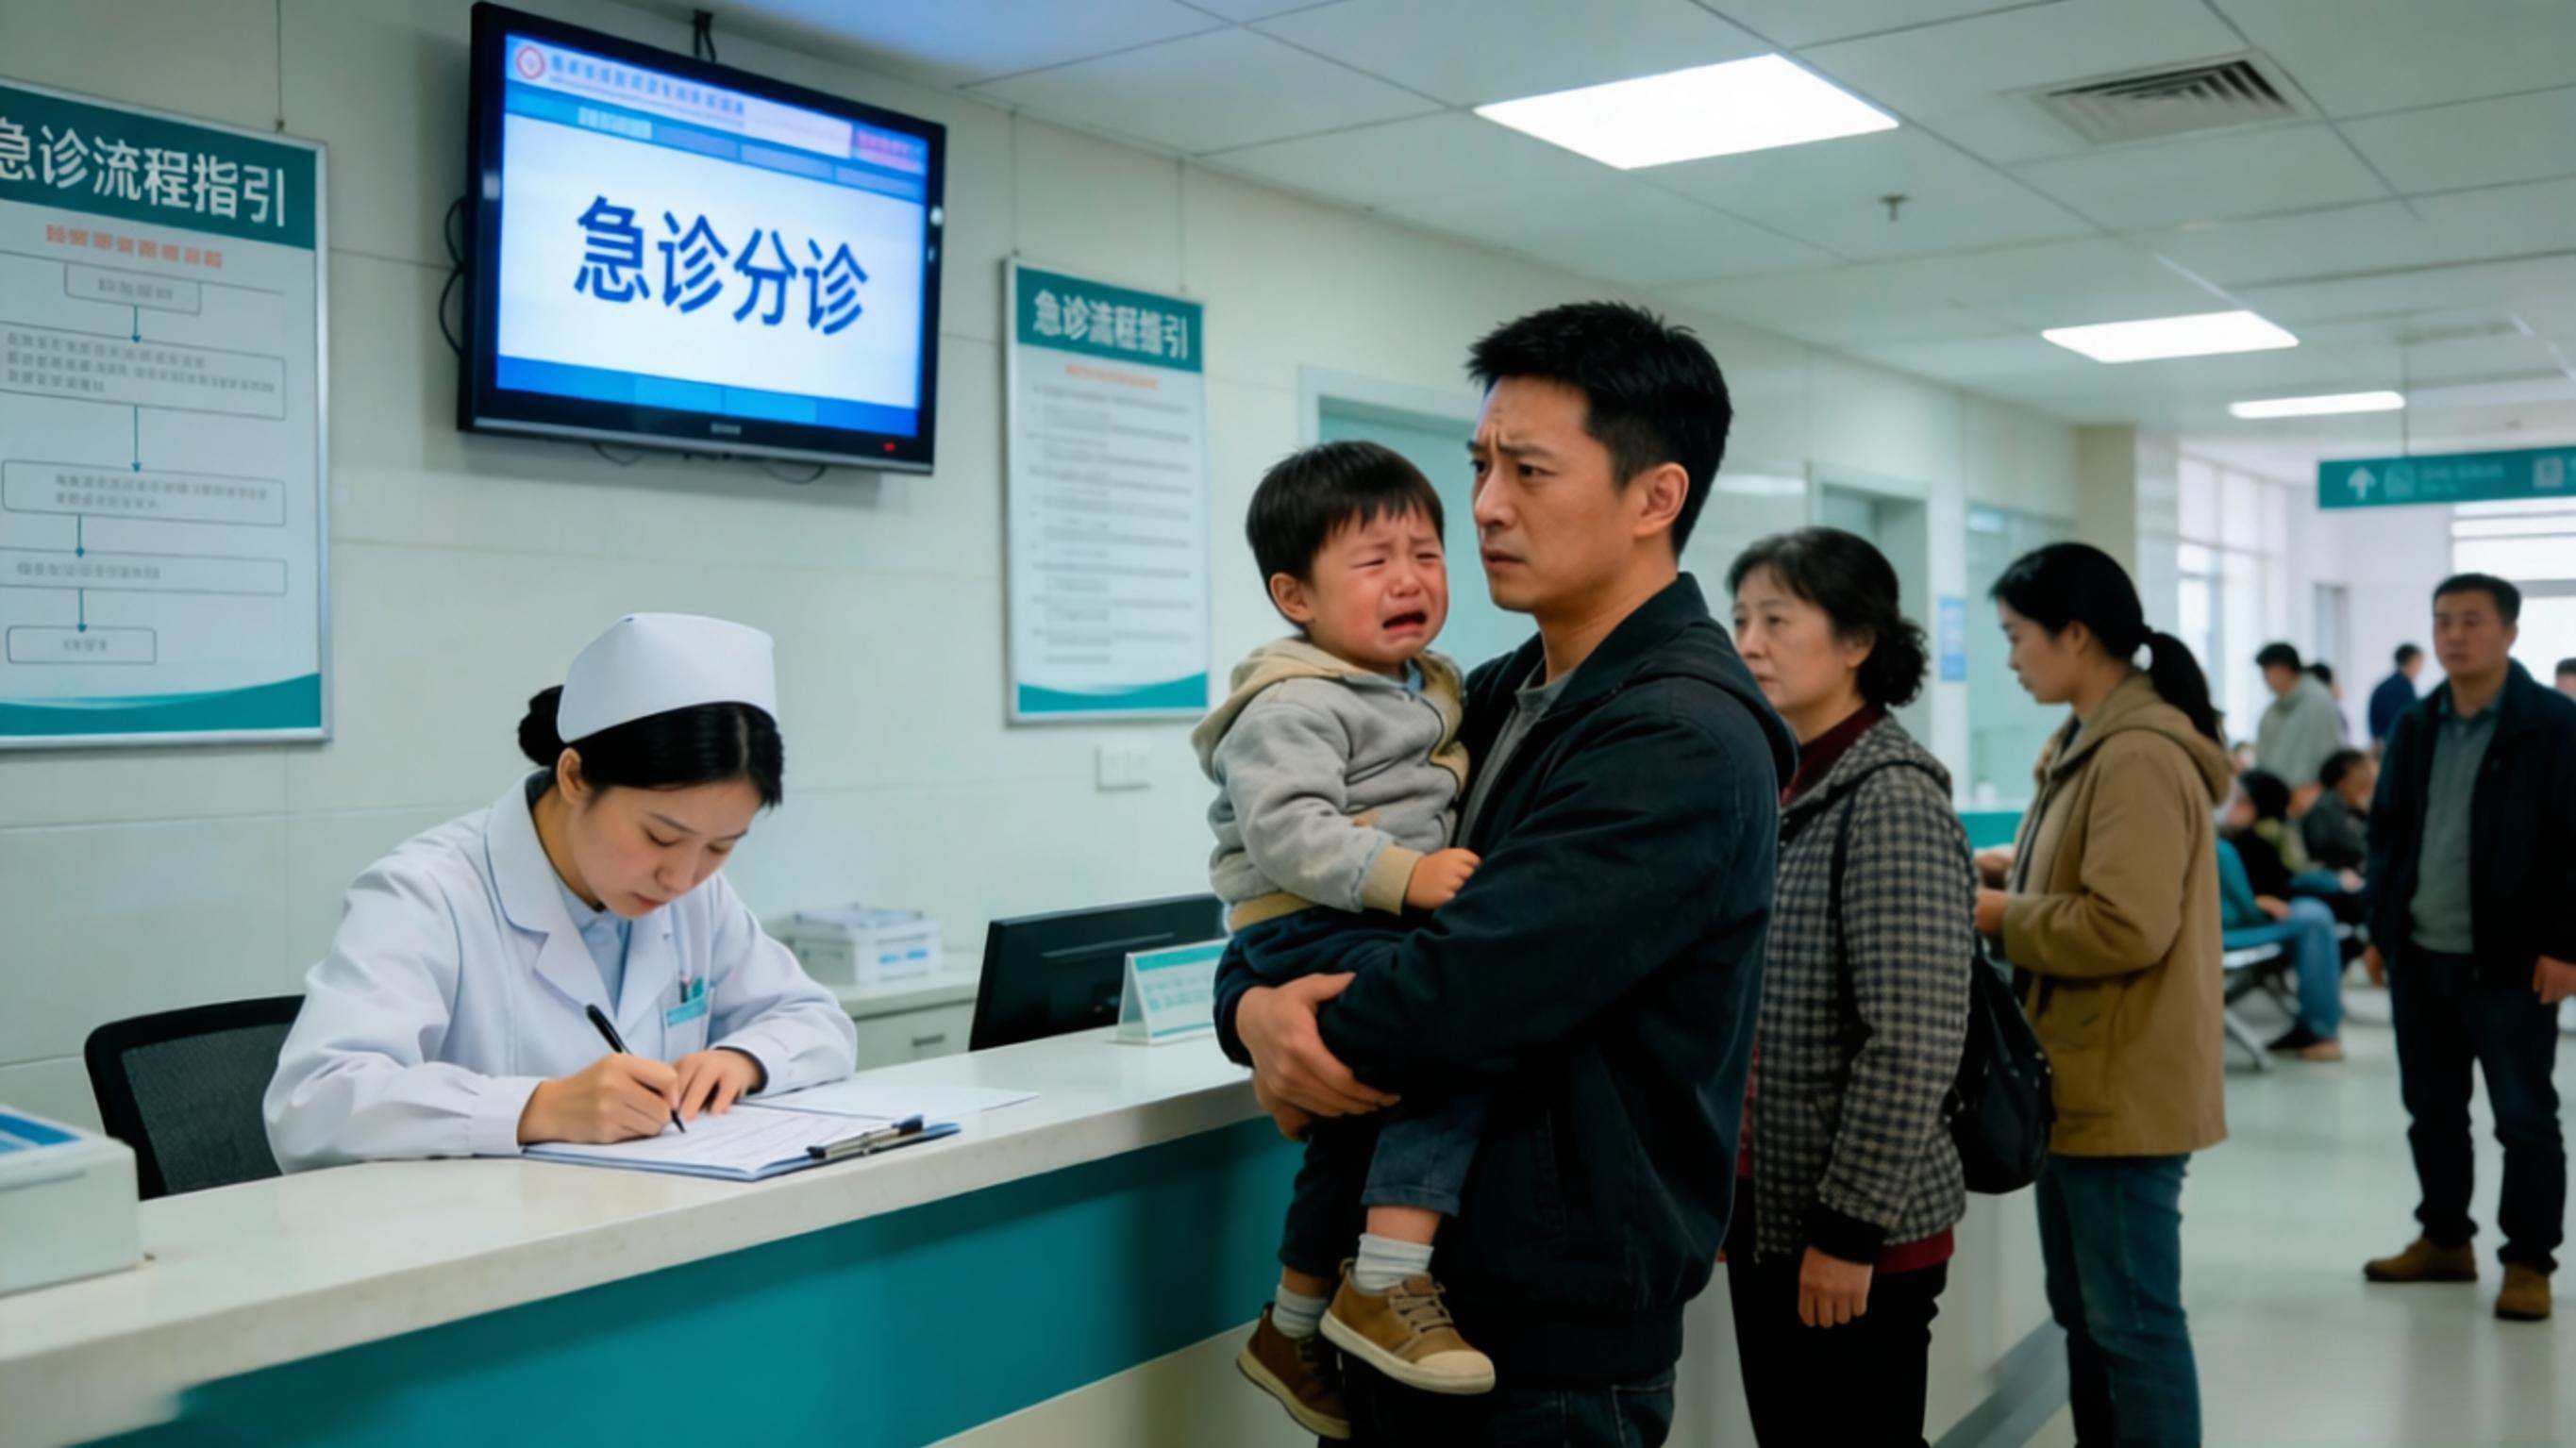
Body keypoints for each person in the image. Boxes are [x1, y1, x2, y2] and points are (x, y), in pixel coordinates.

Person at [1215, 301, 1796, 1447]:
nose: (1483, 505)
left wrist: (1286, 1019)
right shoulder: (1481, 696)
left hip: (1545, 1350)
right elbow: (1309, 890)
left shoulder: (1679, 738)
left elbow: (1462, 990)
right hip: (1413, 1315)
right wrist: (1250, 1006)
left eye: (1528, 470)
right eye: (1481, 464)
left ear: (1655, 497)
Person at [266, 614, 858, 1172]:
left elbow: (816, 1021)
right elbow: (313, 1102)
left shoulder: (699, 896)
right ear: (575, 776)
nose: (681, 878)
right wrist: (537, 1107)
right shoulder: (426, 893)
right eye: (660, 836)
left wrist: (744, 1060)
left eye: (721, 846)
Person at [1197, 441, 1494, 1438]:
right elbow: (1287, 830)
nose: (1409, 578)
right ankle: (1388, 1277)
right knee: (1451, 1028)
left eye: (1426, 553)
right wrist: (1407, 874)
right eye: (1374, 561)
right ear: (1295, 595)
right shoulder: (1291, 701)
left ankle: (1292, 1323)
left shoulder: (1427, 684)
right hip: (1310, 922)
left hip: (1354, 920)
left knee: (1357, 1116)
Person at [1973, 542, 2229, 1447]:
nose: (2011, 657)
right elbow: (2094, 871)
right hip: (2083, 1077)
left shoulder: (2137, 755)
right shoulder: (2087, 742)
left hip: (2123, 1088)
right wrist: (2008, 869)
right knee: (2089, 1317)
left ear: (2075, 635)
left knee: (2133, 1326)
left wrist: (1996, 912)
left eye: (2018, 636)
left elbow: (2127, 923)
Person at [1726, 528, 1973, 1448]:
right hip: (1776, 1208)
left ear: (1858, 640)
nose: (1750, 642)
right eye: (1741, 619)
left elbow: (1911, 1039)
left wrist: (1847, 1231)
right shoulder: (1787, 781)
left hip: (1853, 1225)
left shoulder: (1890, 796)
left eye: (1777, 620)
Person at [2360, 574, 2576, 1323]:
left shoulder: (2553, 724)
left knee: (2524, 1116)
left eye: (2472, 620)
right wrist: (2380, 928)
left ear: (2510, 632)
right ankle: (2446, 1239)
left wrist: (2566, 945)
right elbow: (2386, 832)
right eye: (2443, 620)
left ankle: (2529, 1261)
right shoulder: (2417, 724)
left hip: (2512, 961)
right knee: (2432, 1111)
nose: (2454, 634)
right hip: (2421, 955)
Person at [2219, 774, 2345, 1061]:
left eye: (2244, 802)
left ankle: (2320, 1029)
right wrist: (2258, 903)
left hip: (2247, 915)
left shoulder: (2254, 836)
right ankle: (2321, 1031)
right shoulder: (2232, 840)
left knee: (2315, 912)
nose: (2239, 808)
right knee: (2314, 918)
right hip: (2233, 921)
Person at [2253, 642, 2344, 809]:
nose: (2265, 680)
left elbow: (2331, 754)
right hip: (2277, 802)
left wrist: (2316, 789)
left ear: (2284, 669)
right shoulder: (2272, 711)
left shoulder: (2319, 701)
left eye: (2267, 672)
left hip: (2310, 803)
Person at [2301, 748, 2374, 874]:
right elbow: (2358, 847)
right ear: (2343, 778)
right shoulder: (2325, 808)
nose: (2369, 775)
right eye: (2363, 768)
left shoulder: (2354, 810)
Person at [2369, 643, 2425, 748]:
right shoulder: (2401, 687)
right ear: (2411, 661)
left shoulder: (2388, 685)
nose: (2421, 668)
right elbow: (2404, 721)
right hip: (2393, 745)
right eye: (2420, 662)